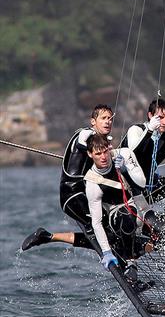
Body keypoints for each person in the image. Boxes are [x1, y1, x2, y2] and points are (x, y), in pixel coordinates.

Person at [21, 104, 115, 251]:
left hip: (86, 192)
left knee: (113, 224)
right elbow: (82, 142)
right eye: (103, 118)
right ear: (93, 121)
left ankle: (48, 237)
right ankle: (117, 256)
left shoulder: (100, 143)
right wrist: (95, 150)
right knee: (102, 230)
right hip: (72, 195)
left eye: (110, 118)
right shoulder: (87, 133)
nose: (108, 121)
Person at [82, 134, 156, 269]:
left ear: (109, 148)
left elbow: (141, 184)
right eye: (98, 154)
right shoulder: (92, 183)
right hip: (117, 217)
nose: (103, 157)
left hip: (140, 207)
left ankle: (144, 247)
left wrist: (125, 170)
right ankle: (130, 261)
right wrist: (106, 251)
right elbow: (96, 222)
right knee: (128, 213)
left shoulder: (124, 155)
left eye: (105, 151)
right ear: (90, 154)